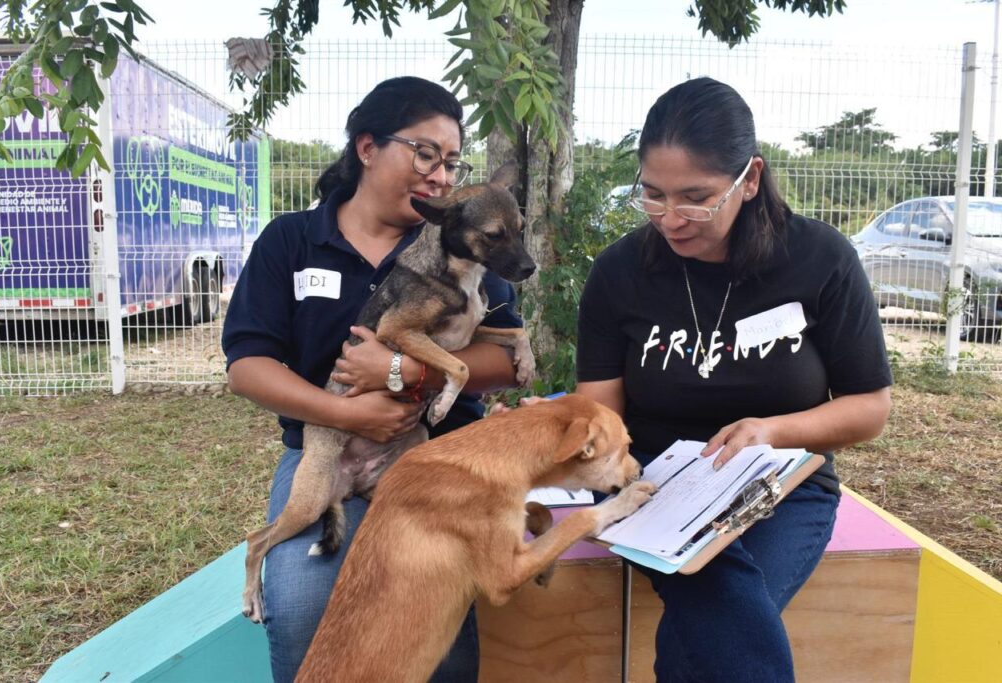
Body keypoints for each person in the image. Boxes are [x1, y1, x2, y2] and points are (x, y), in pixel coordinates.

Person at [575, 77, 893, 682]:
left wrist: (771, 431)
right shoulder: (621, 272)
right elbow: (600, 415)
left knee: (700, 637)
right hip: (643, 480)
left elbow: (869, 409)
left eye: (696, 198)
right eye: (653, 196)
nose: (671, 219)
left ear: (749, 180)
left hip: (779, 484)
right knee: (718, 591)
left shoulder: (819, 259)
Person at [222, 76, 526, 683]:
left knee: (432, 599)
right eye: (425, 153)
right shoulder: (293, 240)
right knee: (305, 601)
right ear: (367, 147)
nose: (440, 176)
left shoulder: (463, 240)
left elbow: (499, 366)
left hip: (426, 453)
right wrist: (346, 414)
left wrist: (403, 370)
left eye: (451, 161)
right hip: (328, 445)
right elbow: (248, 367)